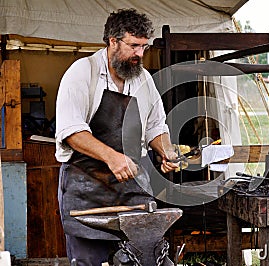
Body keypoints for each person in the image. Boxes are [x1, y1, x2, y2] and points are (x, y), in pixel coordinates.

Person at [55, 8, 178, 265]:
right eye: (133, 46)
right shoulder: (82, 73)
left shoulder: (143, 79)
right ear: (113, 41)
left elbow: (156, 126)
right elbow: (70, 130)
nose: (140, 54)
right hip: (87, 189)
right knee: (91, 261)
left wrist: (166, 150)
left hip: (133, 190)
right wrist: (112, 157)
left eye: (144, 47)